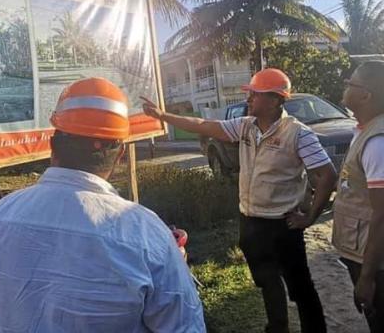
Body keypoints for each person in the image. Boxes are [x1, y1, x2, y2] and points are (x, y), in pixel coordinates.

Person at [0, 77, 205, 333]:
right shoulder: (148, 234)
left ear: (53, 146)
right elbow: (185, 327)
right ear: (120, 155)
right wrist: (171, 262)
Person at [142, 68, 337, 333]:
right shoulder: (245, 126)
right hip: (250, 221)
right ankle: (277, 328)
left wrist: (311, 216)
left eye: (255, 95)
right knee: (266, 280)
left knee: (300, 287)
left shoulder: (298, 134)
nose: (249, 99)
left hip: (283, 225)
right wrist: (164, 116)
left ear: (275, 99)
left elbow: (327, 175)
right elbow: (204, 125)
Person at [332, 61, 384, 333]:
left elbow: (382, 215)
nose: (346, 86)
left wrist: (366, 278)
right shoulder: (364, 130)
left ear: (366, 95)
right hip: (362, 250)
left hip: (374, 262)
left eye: (351, 83)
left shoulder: (377, 142)